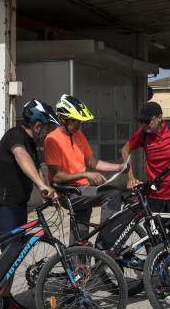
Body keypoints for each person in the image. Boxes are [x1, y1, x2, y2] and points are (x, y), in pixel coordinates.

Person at [0, 99, 59, 309]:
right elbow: (20, 155)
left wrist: (43, 187)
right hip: (1, 204)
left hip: (16, 205)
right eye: (47, 128)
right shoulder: (15, 135)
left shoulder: (32, 145)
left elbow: (34, 167)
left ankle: (4, 299)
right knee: (11, 251)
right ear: (36, 125)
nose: (48, 133)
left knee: (13, 253)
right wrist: (41, 185)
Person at [43, 94, 123, 243]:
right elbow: (57, 177)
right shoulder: (52, 140)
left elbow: (92, 161)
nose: (79, 124)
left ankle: (78, 265)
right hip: (69, 193)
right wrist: (86, 174)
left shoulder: (78, 134)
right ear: (61, 118)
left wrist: (118, 167)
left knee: (80, 237)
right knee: (112, 194)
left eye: (80, 120)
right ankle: (105, 244)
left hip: (82, 190)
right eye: (74, 120)